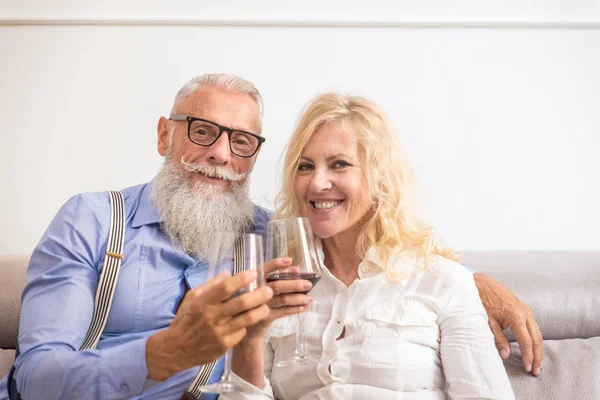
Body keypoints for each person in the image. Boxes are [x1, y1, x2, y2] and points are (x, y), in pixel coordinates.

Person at [0, 75, 540, 400]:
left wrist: (475, 284)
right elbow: (37, 378)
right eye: (202, 131)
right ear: (166, 133)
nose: (220, 154)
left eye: (242, 141)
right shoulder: (90, 221)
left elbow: (371, 255)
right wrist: (165, 353)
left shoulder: (274, 240)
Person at [226, 93, 521, 399]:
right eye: (305, 167)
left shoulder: (443, 281)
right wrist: (249, 337)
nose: (317, 183)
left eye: (339, 164)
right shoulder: (278, 283)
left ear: (380, 179)